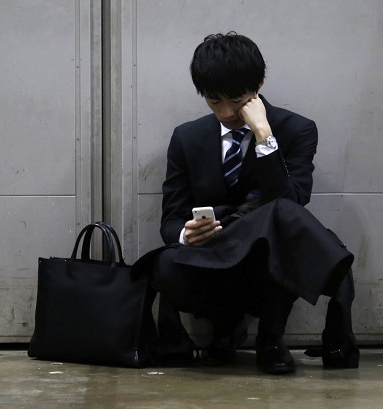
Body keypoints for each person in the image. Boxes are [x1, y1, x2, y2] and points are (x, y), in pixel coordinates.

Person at [148, 32, 359, 374]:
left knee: (282, 221)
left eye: (237, 100)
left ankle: (271, 338)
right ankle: (224, 329)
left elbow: (292, 203)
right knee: (164, 263)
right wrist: (187, 234)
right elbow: (170, 220)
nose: (226, 112)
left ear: (259, 85)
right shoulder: (187, 137)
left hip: (267, 256)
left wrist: (264, 134)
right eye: (214, 101)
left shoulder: (296, 129)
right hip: (213, 255)